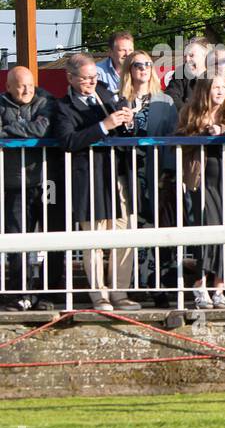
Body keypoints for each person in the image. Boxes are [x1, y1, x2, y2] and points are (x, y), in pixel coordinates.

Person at [53, 53, 141, 310]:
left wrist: (127, 120)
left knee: (125, 234)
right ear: (70, 78)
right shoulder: (63, 107)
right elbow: (69, 141)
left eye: (94, 77)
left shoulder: (105, 93)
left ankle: (119, 292)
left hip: (117, 174)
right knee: (94, 239)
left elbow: (125, 130)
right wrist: (103, 125)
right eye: (86, 78)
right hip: (89, 178)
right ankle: (99, 295)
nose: (92, 82)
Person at [177, 74, 225, 309]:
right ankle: (200, 284)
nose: (219, 92)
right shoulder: (190, 112)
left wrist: (223, 132)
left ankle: (220, 287)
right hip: (200, 180)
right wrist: (201, 132)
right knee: (205, 229)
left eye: (222, 88)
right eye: (215, 87)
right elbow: (178, 138)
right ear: (205, 90)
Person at [119, 52, 180, 306]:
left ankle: (162, 286)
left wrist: (168, 173)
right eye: (137, 65)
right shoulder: (119, 100)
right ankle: (136, 284)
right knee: (134, 228)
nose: (143, 69)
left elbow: (173, 136)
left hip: (157, 172)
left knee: (160, 227)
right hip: (129, 172)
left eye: (147, 64)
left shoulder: (165, 101)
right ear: (129, 70)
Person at [0, 66, 56, 311]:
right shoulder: (1, 104)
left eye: (30, 85)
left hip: (46, 181)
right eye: (21, 86)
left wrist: (8, 131)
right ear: (9, 86)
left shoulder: (46, 101)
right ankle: (18, 294)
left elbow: (43, 129)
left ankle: (48, 292)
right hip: (14, 183)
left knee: (52, 238)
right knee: (17, 240)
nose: (27, 90)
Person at [163, 37, 211, 108]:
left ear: (206, 56)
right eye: (185, 56)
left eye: (191, 55)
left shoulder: (216, 75)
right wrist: (188, 114)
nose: (187, 60)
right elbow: (170, 95)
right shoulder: (181, 72)